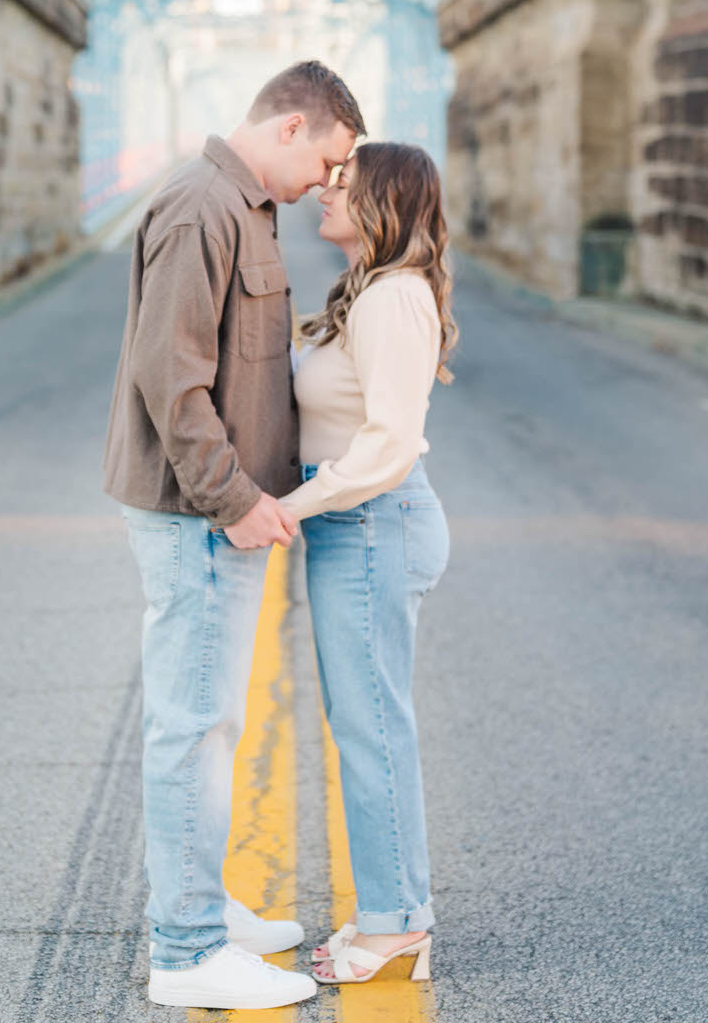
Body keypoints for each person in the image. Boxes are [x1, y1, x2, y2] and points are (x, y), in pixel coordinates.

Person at [104, 61, 365, 1011]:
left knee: (215, 724)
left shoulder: (246, 205)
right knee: (192, 728)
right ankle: (185, 950)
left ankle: (200, 906)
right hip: (195, 514)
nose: (329, 185)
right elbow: (166, 378)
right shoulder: (200, 206)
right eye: (330, 161)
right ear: (292, 126)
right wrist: (234, 500)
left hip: (218, 512)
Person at [277, 141, 456, 987]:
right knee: (366, 726)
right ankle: (394, 909)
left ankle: (395, 926)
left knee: (371, 729)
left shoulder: (392, 298)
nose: (323, 192)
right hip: (357, 522)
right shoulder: (373, 291)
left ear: (380, 200)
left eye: (341, 185)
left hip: (371, 521)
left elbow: (386, 443)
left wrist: (291, 506)